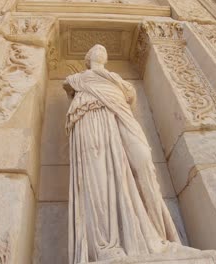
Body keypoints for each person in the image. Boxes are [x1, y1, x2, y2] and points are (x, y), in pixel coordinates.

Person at [64, 44, 181, 264]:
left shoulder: (116, 79)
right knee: (98, 176)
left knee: (143, 161)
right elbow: (67, 85)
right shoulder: (77, 78)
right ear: (87, 58)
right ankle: (107, 244)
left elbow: (129, 94)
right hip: (91, 120)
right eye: (95, 49)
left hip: (121, 118)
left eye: (103, 49)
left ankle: (156, 235)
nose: (100, 50)